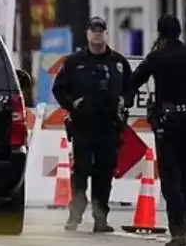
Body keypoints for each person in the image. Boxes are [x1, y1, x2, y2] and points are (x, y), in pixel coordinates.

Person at [127, 15, 186, 246]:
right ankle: (184, 223)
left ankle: (178, 230)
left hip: (166, 123)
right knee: (183, 171)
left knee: (170, 176)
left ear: (160, 32)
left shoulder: (156, 58)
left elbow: (133, 82)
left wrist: (121, 100)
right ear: (179, 31)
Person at [52, 16, 132, 233]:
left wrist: (125, 100)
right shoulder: (75, 62)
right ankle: (75, 215)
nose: (97, 34)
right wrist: (72, 103)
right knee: (81, 172)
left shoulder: (118, 62)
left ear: (106, 33)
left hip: (109, 127)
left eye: (101, 30)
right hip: (83, 127)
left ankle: (100, 218)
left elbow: (131, 88)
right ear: (87, 34)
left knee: (104, 174)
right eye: (93, 30)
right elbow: (58, 88)